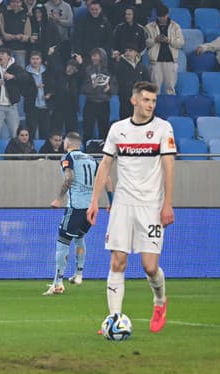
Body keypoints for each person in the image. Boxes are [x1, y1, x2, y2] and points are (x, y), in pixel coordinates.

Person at [87, 80, 176, 334]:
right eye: (146, 100)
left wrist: (167, 204)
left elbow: (169, 167)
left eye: (153, 101)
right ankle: (113, 318)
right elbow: (105, 165)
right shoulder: (118, 129)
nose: (150, 105)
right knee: (118, 261)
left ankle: (160, 301)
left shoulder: (163, 128)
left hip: (151, 205)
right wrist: (95, 200)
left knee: (149, 266)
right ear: (134, 100)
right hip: (123, 204)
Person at [44, 131, 112, 294]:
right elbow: (107, 179)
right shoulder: (91, 159)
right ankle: (79, 274)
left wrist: (59, 199)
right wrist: (111, 201)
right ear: (79, 144)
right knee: (80, 238)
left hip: (75, 207)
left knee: (63, 242)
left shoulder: (68, 158)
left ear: (67, 144)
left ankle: (58, 282)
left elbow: (69, 177)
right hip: (90, 209)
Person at [0, 48, 32, 143]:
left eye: (3, 54)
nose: (0, 56)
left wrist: (13, 77)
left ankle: (16, 155)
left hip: (12, 106)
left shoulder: (16, 68)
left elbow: (26, 78)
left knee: (15, 134)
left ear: (9, 56)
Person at [81, 47, 117, 143]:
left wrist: (109, 89)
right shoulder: (87, 70)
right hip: (90, 103)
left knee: (104, 129)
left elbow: (115, 87)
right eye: (92, 56)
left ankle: (103, 152)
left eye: (95, 56)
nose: (93, 58)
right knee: (87, 129)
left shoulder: (110, 70)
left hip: (104, 104)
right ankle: (86, 150)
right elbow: (83, 88)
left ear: (101, 57)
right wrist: (92, 86)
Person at [145, 5, 184, 95]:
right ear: (157, 16)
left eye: (164, 16)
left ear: (168, 14)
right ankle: (155, 108)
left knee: (170, 89)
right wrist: (155, 40)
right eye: (159, 16)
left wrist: (168, 40)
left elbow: (181, 43)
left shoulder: (175, 26)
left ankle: (170, 108)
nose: (162, 18)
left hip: (171, 61)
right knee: (155, 90)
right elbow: (145, 43)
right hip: (155, 61)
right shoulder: (149, 27)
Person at [114, 42, 149, 120]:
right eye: (126, 51)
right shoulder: (119, 64)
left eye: (130, 50)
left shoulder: (142, 66)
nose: (127, 53)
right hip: (125, 97)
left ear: (136, 52)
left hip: (139, 98)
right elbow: (115, 76)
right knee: (125, 120)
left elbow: (147, 82)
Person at [47, 56, 82, 133]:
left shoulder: (77, 78)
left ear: (76, 70)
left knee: (72, 132)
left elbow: (82, 75)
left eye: (73, 68)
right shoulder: (59, 75)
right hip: (58, 107)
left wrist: (80, 64)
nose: (70, 69)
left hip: (72, 108)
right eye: (69, 66)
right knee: (55, 131)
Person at [0, 0, 32, 67]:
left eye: (18, 2)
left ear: (21, 3)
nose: (15, 4)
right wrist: (8, 36)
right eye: (13, 2)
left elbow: (28, 34)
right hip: (6, 50)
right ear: (9, 3)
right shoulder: (3, 14)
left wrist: (22, 37)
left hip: (20, 50)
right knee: (5, 71)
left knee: (20, 73)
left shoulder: (25, 15)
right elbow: (0, 30)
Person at [25, 51, 50, 139]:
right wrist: (35, 88)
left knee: (45, 134)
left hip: (45, 107)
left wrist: (49, 94)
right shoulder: (25, 73)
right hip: (32, 108)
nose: (35, 61)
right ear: (29, 60)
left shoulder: (47, 72)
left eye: (37, 59)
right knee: (30, 134)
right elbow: (24, 91)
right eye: (33, 59)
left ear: (41, 60)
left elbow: (53, 86)